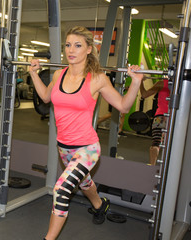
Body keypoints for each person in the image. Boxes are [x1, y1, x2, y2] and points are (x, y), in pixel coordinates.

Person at [29, 26, 144, 240]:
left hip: (87, 148)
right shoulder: (58, 74)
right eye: (68, 45)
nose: (71, 50)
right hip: (63, 147)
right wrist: (34, 74)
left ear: (89, 49)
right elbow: (45, 97)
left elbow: (123, 106)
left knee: (62, 189)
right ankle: (100, 205)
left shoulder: (97, 79)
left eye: (78, 45)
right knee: (84, 182)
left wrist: (135, 82)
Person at [140, 78, 169, 165]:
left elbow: (144, 95)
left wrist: (140, 81)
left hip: (160, 116)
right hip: (176, 118)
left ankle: (152, 166)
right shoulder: (184, 85)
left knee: (156, 143)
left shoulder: (161, 83)